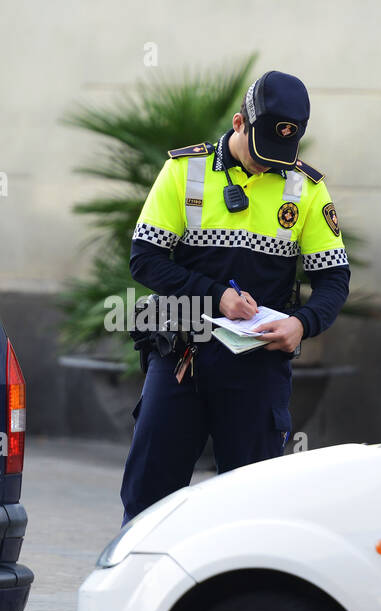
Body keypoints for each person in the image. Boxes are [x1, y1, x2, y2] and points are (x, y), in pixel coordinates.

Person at [120, 70, 349, 524]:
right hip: (182, 358)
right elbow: (144, 259)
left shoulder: (306, 187)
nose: (270, 163)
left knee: (251, 510)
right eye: (264, 148)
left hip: (257, 370)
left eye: (283, 149)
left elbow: (334, 281)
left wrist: (301, 324)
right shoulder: (185, 170)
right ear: (239, 123)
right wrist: (215, 297)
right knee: (149, 498)